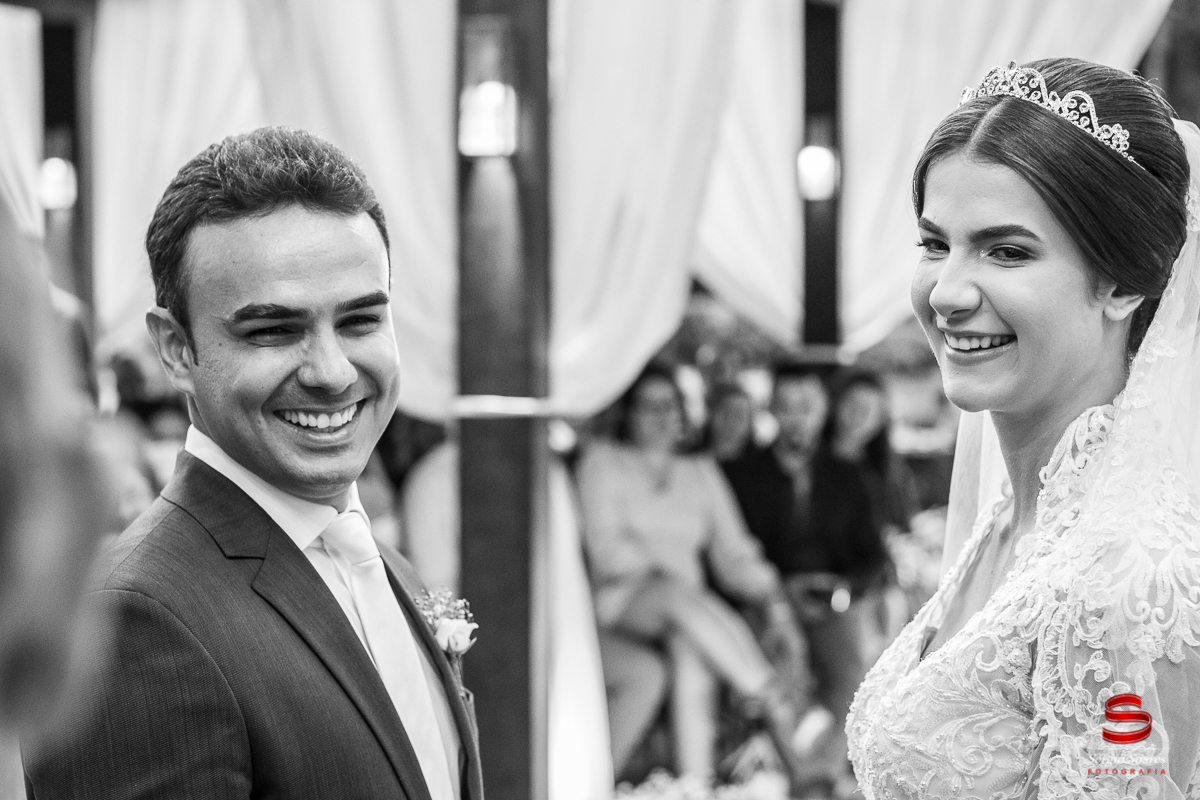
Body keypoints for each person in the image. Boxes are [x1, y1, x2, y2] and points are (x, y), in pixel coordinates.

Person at [24, 127, 483, 800]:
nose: (332, 372)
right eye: (273, 330)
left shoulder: (383, 564)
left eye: (360, 321)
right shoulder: (134, 624)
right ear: (175, 349)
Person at [847, 59, 1200, 799]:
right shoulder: (1016, 515)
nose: (947, 292)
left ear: (1122, 282)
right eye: (935, 244)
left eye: (1007, 251)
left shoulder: (1127, 580)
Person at [578, 364, 830, 787]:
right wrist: (666, 572)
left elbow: (734, 552)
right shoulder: (603, 461)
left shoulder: (699, 471)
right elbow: (606, 551)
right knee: (676, 597)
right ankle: (779, 703)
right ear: (628, 413)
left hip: (689, 612)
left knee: (690, 648)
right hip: (620, 600)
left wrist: (771, 596)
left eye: (669, 405)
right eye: (648, 406)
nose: (661, 416)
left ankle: (694, 783)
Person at [701, 382, 756, 463]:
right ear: (710, 414)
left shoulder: (760, 466)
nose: (731, 424)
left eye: (739, 416)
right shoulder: (688, 461)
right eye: (726, 414)